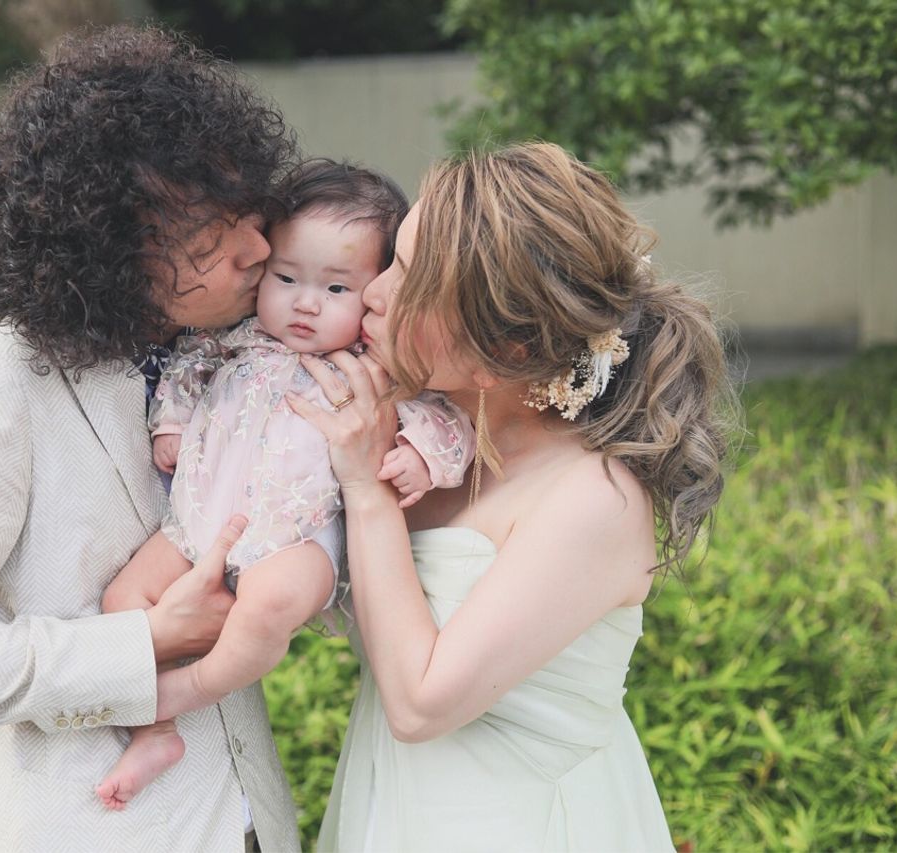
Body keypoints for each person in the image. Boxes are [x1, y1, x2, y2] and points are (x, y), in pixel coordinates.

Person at [0, 26, 303, 852]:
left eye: (250, 214)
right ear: (110, 247)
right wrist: (141, 644)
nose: (259, 249)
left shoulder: (242, 354)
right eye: (208, 237)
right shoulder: (0, 386)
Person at [288, 143, 735, 851]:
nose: (372, 290)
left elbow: (420, 702)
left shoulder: (595, 499)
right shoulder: (424, 443)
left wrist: (366, 490)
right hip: (389, 808)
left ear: (507, 350)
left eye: (409, 276)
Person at [95, 160, 476, 810]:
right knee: (123, 597)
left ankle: (194, 688)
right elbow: (186, 369)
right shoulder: (235, 340)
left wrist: (420, 454)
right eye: (287, 277)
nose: (305, 303)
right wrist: (173, 421)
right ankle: (154, 733)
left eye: (337, 287)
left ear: (377, 292)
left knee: (270, 603)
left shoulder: (373, 370)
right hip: (197, 522)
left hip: (298, 538)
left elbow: (445, 418)